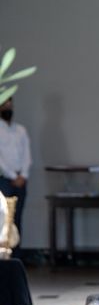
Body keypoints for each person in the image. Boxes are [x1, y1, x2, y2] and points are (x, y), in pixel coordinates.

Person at [0, 97, 31, 239]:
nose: (8, 109)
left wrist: (23, 175)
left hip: (21, 179)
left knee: (17, 218)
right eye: (4, 106)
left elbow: (27, 155)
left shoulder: (20, 130)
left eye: (10, 106)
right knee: (4, 219)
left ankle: (17, 256)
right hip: (4, 179)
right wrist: (12, 176)